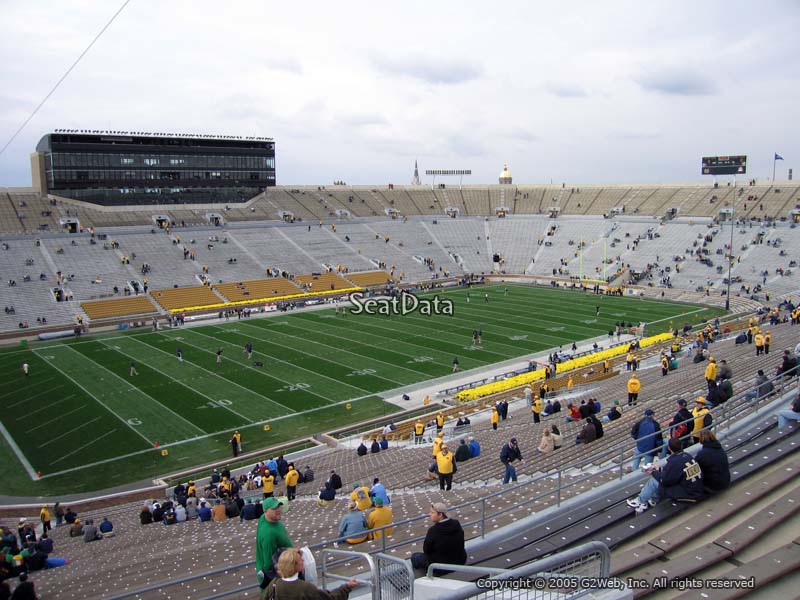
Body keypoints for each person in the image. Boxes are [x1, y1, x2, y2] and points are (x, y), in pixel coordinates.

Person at [626, 439, 705, 513]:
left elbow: (664, 480)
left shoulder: (675, 461)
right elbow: (675, 473)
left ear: (670, 449)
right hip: (695, 488)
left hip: (689, 493)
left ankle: (640, 501)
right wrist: (659, 469)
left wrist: (653, 472)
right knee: (659, 477)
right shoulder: (687, 456)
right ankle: (654, 499)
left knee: (654, 481)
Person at [264, 548, 358, 600]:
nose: (303, 560)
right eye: (300, 559)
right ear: (294, 566)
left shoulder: (274, 584)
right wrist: (347, 587)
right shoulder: (304, 587)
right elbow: (329, 598)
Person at [410, 503, 467, 573]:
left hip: (440, 567)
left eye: (432, 513)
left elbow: (426, 550)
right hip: (460, 561)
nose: (429, 514)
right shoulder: (456, 523)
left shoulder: (433, 531)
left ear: (440, 515)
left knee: (415, 557)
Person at [256, 497, 294, 588]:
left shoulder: (263, 519)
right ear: (265, 511)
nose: (278, 510)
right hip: (278, 578)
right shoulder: (269, 534)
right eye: (274, 508)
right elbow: (269, 564)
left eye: (279, 506)